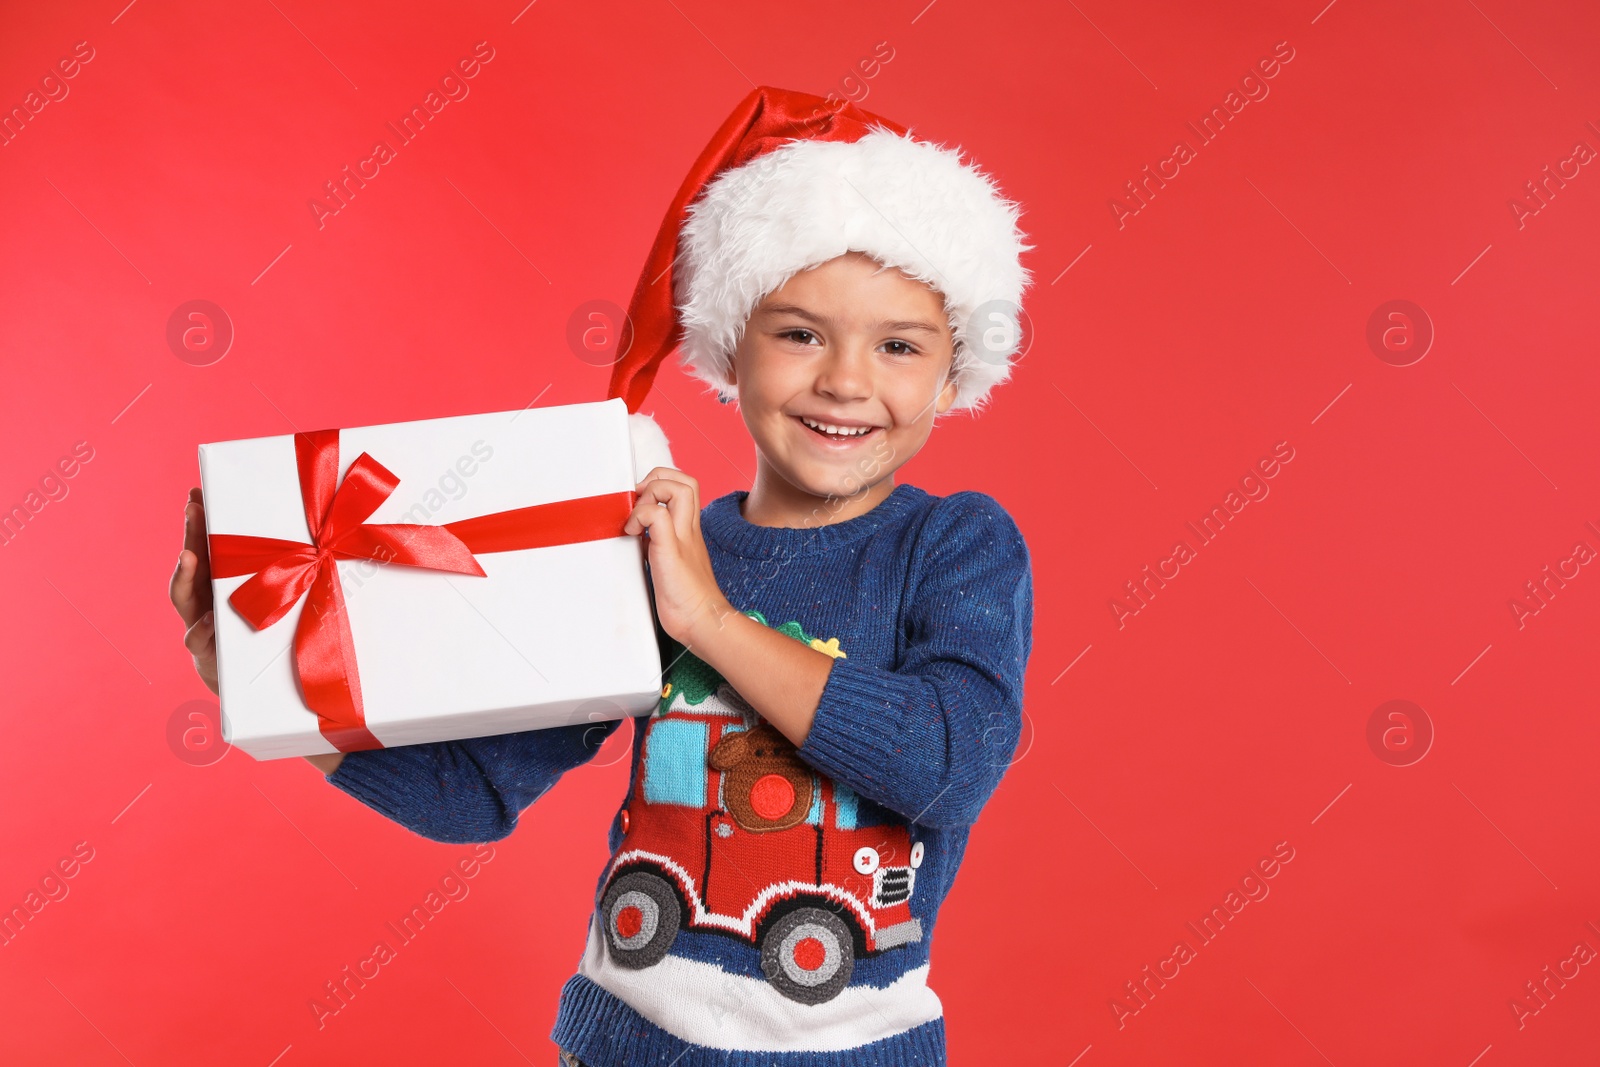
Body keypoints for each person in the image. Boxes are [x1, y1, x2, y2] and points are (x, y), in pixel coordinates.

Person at [170, 86, 1035, 1066]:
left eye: (897, 346)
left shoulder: (953, 545)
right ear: (728, 346)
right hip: (630, 1043)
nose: (844, 380)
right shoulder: (646, 541)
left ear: (953, 369)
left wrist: (705, 617)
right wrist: (265, 682)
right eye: (799, 333)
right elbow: (472, 793)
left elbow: (950, 765)